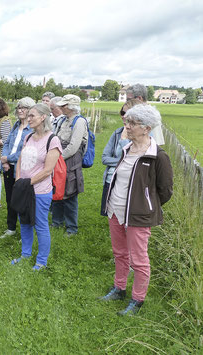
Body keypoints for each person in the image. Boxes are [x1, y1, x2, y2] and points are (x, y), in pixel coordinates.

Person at [100, 104, 173, 316]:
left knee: (139, 260)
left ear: (147, 128)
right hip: (115, 209)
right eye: (127, 121)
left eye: (133, 123)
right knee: (120, 253)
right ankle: (119, 288)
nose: (127, 126)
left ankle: (137, 300)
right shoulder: (126, 149)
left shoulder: (158, 156)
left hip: (138, 216)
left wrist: (146, 206)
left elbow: (165, 191)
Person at [11, 104, 62, 270]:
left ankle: (41, 261)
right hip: (23, 188)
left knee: (40, 225)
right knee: (24, 223)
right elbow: (20, 159)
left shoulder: (52, 140)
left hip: (39, 191)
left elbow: (48, 170)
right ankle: (25, 255)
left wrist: (27, 183)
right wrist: (19, 180)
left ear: (43, 117)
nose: (28, 118)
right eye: (28, 116)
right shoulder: (28, 137)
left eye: (32, 115)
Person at [52, 94, 88, 236]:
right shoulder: (63, 120)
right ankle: (56, 222)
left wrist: (57, 158)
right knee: (56, 189)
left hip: (70, 160)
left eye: (64, 105)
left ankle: (71, 227)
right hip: (59, 157)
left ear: (71, 107)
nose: (61, 107)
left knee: (70, 193)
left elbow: (73, 146)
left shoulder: (79, 122)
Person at [0, 97, 35, 238]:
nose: (20, 110)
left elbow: (26, 151)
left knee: (23, 201)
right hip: (9, 168)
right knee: (10, 199)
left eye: (24, 108)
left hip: (23, 169)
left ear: (30, 110)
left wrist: (8, 158)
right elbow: (7, 143)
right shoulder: (16, 125)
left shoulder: (32, 129)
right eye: (19, 107)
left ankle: (26, 233)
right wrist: (5, 161)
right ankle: (11, 228)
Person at [100, 99, 140, 216]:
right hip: (111, 179)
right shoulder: (117, 133)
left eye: (127, 114)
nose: (123, 116)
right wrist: (123, 161)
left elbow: (134, 160)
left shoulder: (144, 136)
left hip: (130, 182)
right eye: (122, 113)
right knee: (112, 216)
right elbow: (104, 158)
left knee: (128, 217)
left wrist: (123, 141)